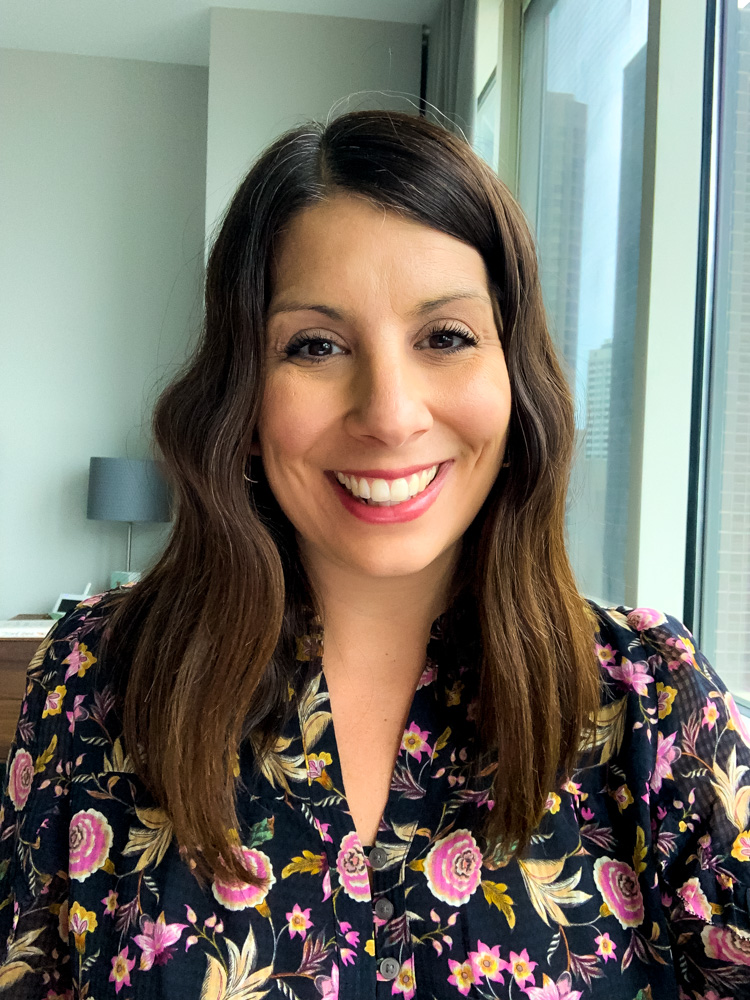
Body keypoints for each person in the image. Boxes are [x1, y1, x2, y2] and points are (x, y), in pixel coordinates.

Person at [1, 110, 749, 1000]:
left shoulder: (652, 706)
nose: (390, 414)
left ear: (516, 382)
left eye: (446, 337)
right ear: (241, 401)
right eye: (316, 345)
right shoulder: (92, 680)